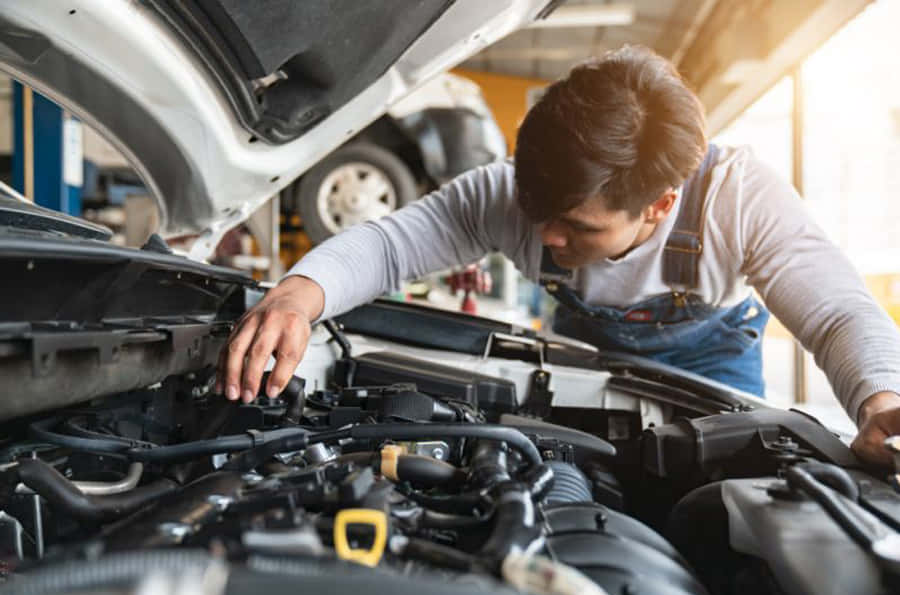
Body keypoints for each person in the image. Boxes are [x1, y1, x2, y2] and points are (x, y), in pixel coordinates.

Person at [216, 45, 900, 466]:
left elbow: (837, 311)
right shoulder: (509, 194)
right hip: (585, 366)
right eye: (536, 211)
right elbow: (389, 244)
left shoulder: (738, 199)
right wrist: (299, 294)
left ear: (660, 204)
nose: (546, 238)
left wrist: (880, 401)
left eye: (576, 226)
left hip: (712, 371)